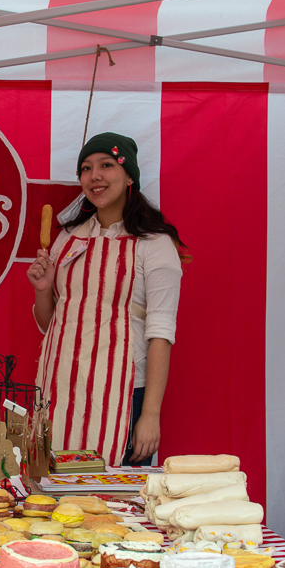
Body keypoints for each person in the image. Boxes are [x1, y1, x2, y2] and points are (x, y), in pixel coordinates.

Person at [28, 131, 185, 467]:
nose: (94, 175)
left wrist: (150, 415)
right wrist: (43, 292)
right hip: (60, 389)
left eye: (106, 165)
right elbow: (49, 323)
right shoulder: (67, 238)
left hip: (125, 394)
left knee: (116, 508)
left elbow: (161, 332)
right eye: (86, 168)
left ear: (129, 176)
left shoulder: (155, 245)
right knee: (56, 497)